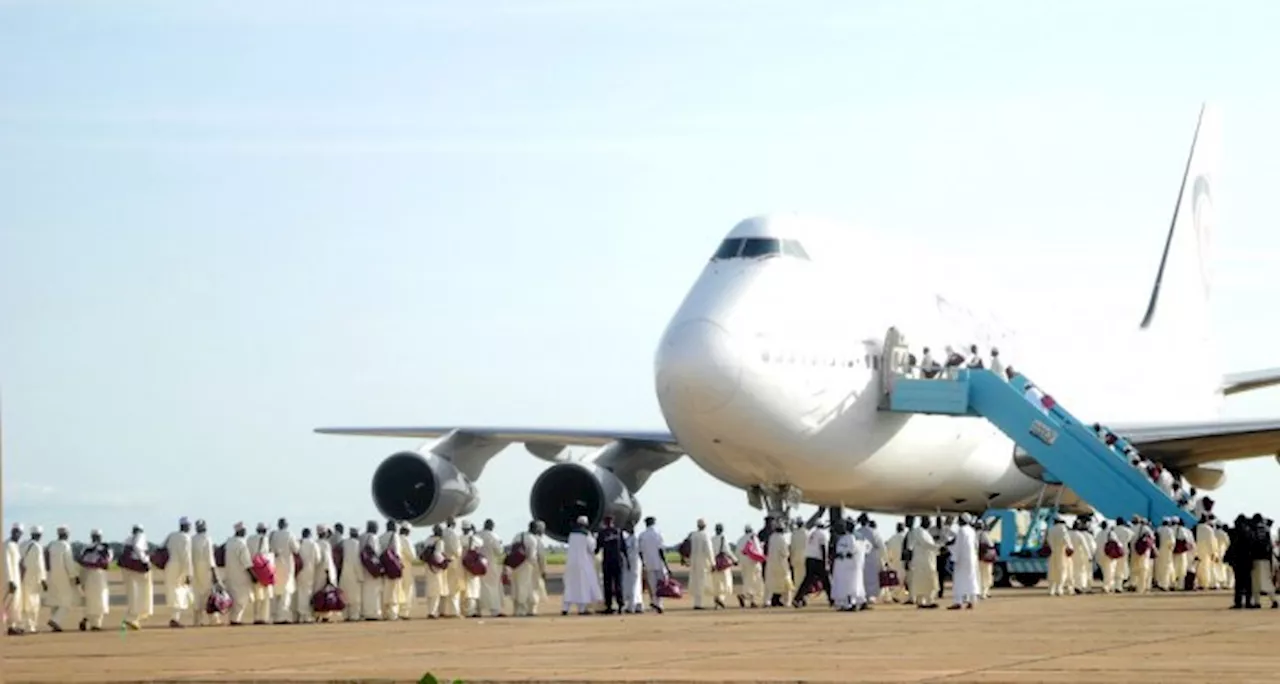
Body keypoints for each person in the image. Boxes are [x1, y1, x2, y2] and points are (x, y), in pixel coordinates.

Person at [562, 516, 602, 615]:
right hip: (583, 563)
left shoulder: (571, 535)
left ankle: (565, 608)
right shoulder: (586, 535)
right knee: (583, 586)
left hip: (571, 563)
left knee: (570, 586)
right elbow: (592, 548)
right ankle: (582, 609)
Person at [162, 518, 195, 628]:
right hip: (179, 567)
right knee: (179, 593)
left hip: (169, 565)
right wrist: (188, 573)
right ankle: (175, 619)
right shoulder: (186, 538)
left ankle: (174, 617)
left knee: (173, 591)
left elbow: (162, 547)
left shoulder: (172, 535)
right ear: (186, 526)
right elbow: (186, 557)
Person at [44, 526, 78, 632]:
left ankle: (55, 623)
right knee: (66, 602)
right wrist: (74, 576)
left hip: (51, 576)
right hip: (63, 577)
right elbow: (69, 563)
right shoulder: (65, 545)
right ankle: (55, 620)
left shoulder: (51, 545)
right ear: (66, 534)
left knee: (55, 601)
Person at [79, 530, 112, 631]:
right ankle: (96, 624)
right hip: (100, 574)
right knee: (100, 598)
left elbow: (81, 561)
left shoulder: (85, 548)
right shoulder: (106, 547)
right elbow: (109, 559)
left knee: (90, 599)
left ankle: (87, 618)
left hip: (88, 574)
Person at [121, 525, 152, 630]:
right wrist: (145, 560)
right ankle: (132, 618)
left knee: (132, 593)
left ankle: (132, 617)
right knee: (140, 594)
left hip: (128, 568)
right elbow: (138, 547)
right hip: (137, 568)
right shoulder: (140, 536)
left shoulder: (128, 539)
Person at [223, 522, 255, 626]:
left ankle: (234, 619)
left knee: (233, 597)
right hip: (241, 575)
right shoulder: (242, 544)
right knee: (241, 599)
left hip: (230, 574)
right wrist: (253, 575)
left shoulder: (229, 542)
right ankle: (235, 620)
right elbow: (247, 563)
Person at [269, 518, 299, 624]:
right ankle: (283, 616)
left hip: (276, 565)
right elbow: (296, 549)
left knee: (276, 590)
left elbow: (270, 549)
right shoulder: (289, 534)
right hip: (287, 566)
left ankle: (275, 616)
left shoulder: (273, 535)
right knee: (286, 591)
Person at [948, 514, 981, 609]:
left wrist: (952, 553)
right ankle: (972, 601)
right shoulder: (972, 531)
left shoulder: (961, 530)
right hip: (972, 558)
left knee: (959, 580)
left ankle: (958, 602)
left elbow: (958, 546)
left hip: (962, 559)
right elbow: (976, 545)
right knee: (971, 579)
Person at [595, 516, 626, 614]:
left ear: (604, 522)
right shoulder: (618, 531)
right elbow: (623, 548)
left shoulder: (602, 533)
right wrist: (627, 561)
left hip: (607, 561)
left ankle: (609, 606)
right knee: (618, 584)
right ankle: (620, 605)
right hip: (617, 561)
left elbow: (597, 548)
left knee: (607, 584)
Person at [638, 517, 669, 614]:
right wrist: (666, 564)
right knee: (661, 583)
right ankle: (659, 603)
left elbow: (640, 551)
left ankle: (654, 601)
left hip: (648, 563)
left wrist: (643, 562)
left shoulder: (642, 535)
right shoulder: (658, 533)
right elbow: (661, 550)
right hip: (658, 562)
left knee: (652, 585)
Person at [191, 520, 218, 626]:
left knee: (197, 593)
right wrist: (214, 573)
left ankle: (197, 620)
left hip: (194, 568)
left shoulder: (192, 539)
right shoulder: (207, 538)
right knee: (209, 594)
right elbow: (210, 556)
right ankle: (213, 619)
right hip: (206, 568)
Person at [477, 520, 505, 617]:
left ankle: (478, 609)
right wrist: (501, 544)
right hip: (490, 564)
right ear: (492, 526)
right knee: (493, 587)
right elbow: (499, 552)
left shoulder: (477, 535)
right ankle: (494, 610)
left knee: (479, 587)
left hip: (478, 564)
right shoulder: (494, 536)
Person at [686, 519, 714, 610]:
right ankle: (699, 604)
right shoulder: (705, 535)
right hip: (703, 562)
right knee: (701, 582)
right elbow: (709, 550)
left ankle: (696, 602)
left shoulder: (693, 535)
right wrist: (713, 562)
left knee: (695, 582)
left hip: (694, 561)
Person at [735, 524, 764, 608]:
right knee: (754, 581)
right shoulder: (753, 537)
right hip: (753, 562)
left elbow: (737, 553)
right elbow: (758, 550)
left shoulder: (740, 539)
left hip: (743, 563)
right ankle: (748, 598)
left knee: (747, 580)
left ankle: (747, 598)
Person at [296, 528, 321, 623]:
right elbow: (318, 559)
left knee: (300, 592)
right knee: (307, 592)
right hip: (309, 570)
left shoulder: (299, 543)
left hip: (299, 571)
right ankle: (306, 615)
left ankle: (301, 615)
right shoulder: (313, 544)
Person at [708, 523, 735, 609]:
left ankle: (716, 601)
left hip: (714, 563)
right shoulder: (723, 538)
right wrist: (735, 559)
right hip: (722, 564)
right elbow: (727, 551)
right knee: (725, 582)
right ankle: (721, 599)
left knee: (716, 583)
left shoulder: (711, 539)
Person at [622, 524, 644, 614]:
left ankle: (634, 605)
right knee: (634, 584)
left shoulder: (631, 539)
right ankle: (635, 605)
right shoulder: (632, 538)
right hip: (633, 562)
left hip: (632, 562)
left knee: (633, 584)